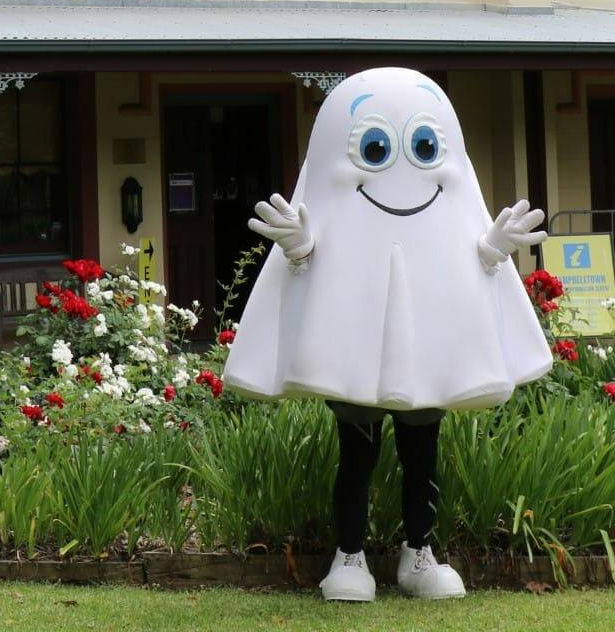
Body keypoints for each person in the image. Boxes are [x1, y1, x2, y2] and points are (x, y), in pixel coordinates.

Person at [222, 67, 552, 601]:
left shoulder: (447, 213)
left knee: (422, 454)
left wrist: (492, 248)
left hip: (428, 345)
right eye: (374, 148)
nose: (401, 168)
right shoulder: (342, 211)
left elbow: (468, 261)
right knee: (357, 454)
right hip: (358, 350)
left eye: (423, 146)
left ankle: (418, 553)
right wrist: (301, 248)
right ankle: (349, 555)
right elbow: (316, 267)